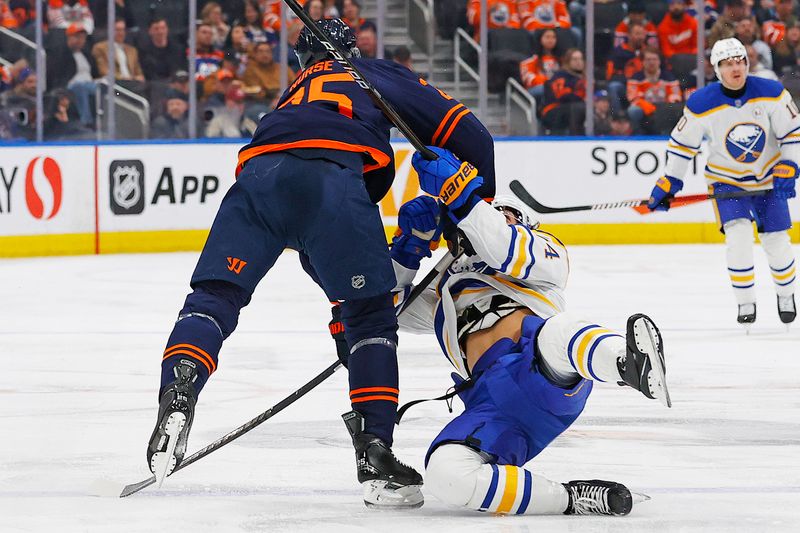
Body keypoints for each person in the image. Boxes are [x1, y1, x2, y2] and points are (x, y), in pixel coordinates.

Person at [145, 17, 496, 509]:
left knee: (213, 298)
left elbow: (311, 240)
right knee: (370, 318)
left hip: (258, 180)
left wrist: (338, 312)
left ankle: (179, 389)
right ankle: (375, 454)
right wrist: (472, 213)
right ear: (351, 49)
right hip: (334, 184)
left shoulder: (293, 92)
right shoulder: (372, 73)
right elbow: (473, 137)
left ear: (303, 60)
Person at [384, 147, 670, 515]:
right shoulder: (441, 294)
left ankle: (627, 364)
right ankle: (571, 498)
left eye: (505, 215)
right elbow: (383, 311)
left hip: (543, 372)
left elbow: (503, 245)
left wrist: (466, 200)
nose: (498, 221)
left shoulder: (545, 254)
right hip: (492, 403)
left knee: (559, 332)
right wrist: (408, 249)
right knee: (445, 474)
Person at [647, 37, 797, 326]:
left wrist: (789, 163)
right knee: (738, 237)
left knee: (777, 241)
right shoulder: (702, 102)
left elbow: (792, 132)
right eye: (728, 63)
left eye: (740, 60)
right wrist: (670, 181)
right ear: (717, 69)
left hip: (768, 178)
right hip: (728, 182)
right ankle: (745, 302)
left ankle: (786, 294)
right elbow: (682, 146)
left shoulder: (771, 92)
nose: (735, 67)